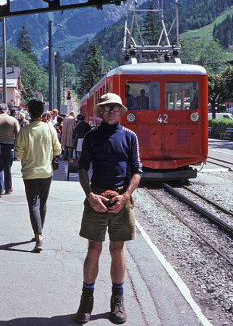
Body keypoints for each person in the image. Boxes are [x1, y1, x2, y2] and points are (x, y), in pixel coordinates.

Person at [75, 93, 142, 324]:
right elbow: (83, 168)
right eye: (107, 107)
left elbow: (137, 170)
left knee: (117, 250)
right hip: (97, 197)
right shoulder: (91, 136)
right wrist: (90, 195)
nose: (111, 110)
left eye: (115, 107)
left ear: (120, 111)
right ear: (101, 111)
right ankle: (87, 299)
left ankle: (117, 300)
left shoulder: (130, 137)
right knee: (93, 249)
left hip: (120, 199)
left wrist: (125, 197)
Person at [15, 99, 61, 252]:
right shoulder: (50, 129)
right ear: (42, 112)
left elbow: (19, 154)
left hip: (29, 173)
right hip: (46, 172)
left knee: (33, 204)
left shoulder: (25, 131)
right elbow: (58, 150)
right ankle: (39, 230)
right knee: (43, 203)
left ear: (29, 112)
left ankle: (38, 235)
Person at [0, 103, 20, 197]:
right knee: (7, 168)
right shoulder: (13, 120)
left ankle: (0, 190)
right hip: (9, 146)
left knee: (0, 169)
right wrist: (16, 146)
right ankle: (8, 188)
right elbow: (18, 134)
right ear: (7, 110)